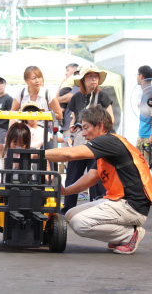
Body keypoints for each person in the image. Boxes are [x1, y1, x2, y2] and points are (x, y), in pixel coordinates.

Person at [45, 105, 152, 255]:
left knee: (80, 223)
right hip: (119, 201)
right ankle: (122, 235)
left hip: (132, 206)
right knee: (70, 215)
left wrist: (36, 154)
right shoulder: (107, 146)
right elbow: (91, 177)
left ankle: (129, 235)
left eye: (86, 128)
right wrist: (66, 191)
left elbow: (71, 154)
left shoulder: (109, 141)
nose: (83, 134)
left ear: (100, 126)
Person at [61, 66, 114, 214]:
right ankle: (68, 208)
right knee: (72, 173)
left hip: (98, 141)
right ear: (83, 80)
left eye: (96, 76)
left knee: (96, 175)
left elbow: (111, 119)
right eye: (90, 76)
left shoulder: (103, 96)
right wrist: (73, 127)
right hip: (80, 139)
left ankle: (97, 208)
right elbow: (73, 118)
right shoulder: (76, 97)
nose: (94, 79)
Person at [135, 65, 152, 190]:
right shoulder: (145, 93)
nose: (137, 77)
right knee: (140, 164)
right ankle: (145, 190)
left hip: (148, 136)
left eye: (137, 74)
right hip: (142, 135)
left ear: (142, 76)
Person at [57, 63, 80, 146]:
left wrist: (58, 99)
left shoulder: (78, 84)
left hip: (72, 126)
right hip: (67, 125)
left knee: (68, 151)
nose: (66, 73)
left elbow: (70, 97)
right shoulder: (68, 83)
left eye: (68, 70)